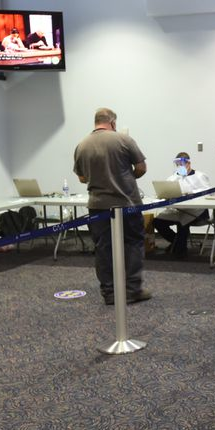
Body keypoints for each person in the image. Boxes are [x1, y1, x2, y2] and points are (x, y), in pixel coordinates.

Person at [72, 107, 151, 305]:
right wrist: (126, 178)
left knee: (103, 249)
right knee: (133, 243)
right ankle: (133, 290)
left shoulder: (81, 145)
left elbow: (82, 177)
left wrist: (99, 178)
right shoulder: (124, 140)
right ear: (113, 123)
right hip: (127, 203)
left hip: (98, 206)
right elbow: (141, 167)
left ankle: (109, 293)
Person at [152, 152, 210, 258]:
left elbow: (208, 193)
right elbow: (166, 190)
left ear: (189, 163)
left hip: (196, 211)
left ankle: (180, 250)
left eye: (182, 163)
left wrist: (191, 192)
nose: (180, 166)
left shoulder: (199, 176)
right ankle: (176, 242)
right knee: (157, 222)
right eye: (177, 164)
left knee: (183, 222)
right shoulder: (173, 178)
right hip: (178, 209)